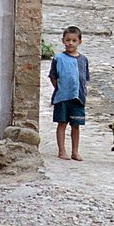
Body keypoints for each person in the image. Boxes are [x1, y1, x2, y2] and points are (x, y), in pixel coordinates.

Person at [49, 26, 90, 161]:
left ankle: (75, 152)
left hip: (78, 98)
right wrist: (60, 89)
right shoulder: (58, 58)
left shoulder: (83, 60)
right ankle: (61, 151)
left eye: (74, 40)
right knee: (62, 123)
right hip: (62, 97)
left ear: (80, 42)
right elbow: (53, 76)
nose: (70, 43)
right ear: (63, 41)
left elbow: (85, 78)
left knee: (76, 125)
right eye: (68, 40)